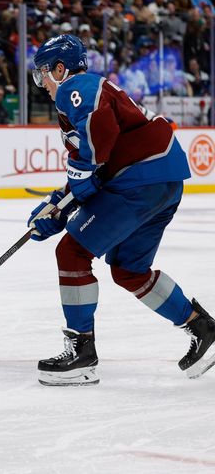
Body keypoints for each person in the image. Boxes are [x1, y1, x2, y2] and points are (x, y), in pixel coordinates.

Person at [27, 34, 215, 386]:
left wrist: (73, 195)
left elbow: (97, 142)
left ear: (59, 68)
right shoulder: (86, 89)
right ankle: (202, 327)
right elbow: (97, 160)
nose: (43, 84)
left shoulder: (74, 87)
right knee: (129, 270)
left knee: (72, 252)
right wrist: (60, 202)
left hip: (139, 179)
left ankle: (81, 352)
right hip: (163, 177)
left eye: (42, 74)